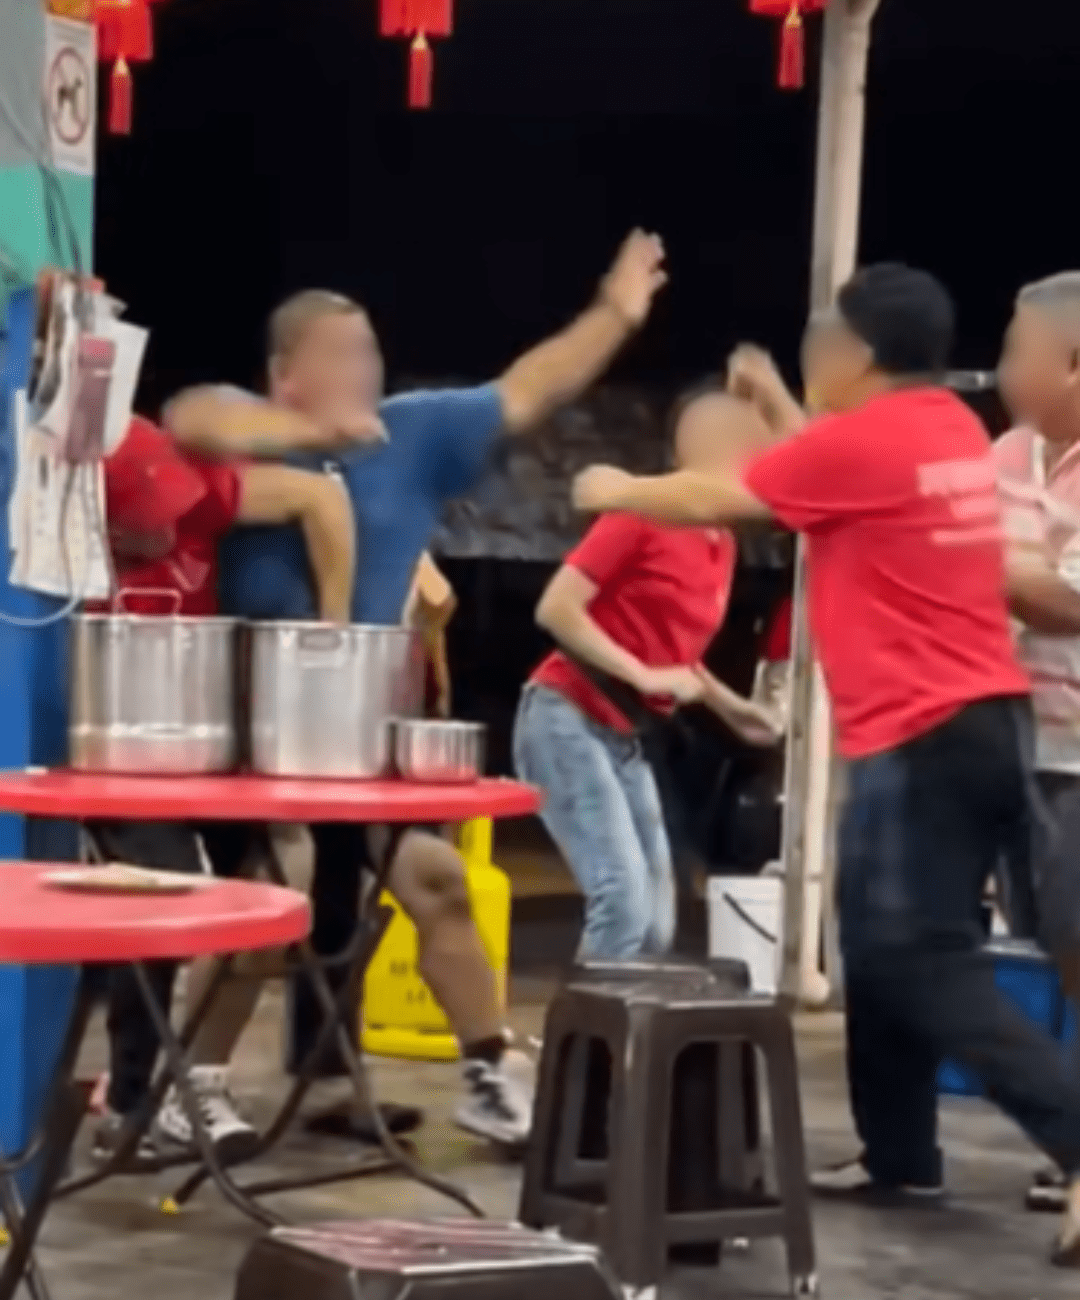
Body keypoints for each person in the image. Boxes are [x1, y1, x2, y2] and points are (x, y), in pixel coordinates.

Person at [570, 262, 1080, 1267]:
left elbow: (730, 493)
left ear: (856, 353)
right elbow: (830, 477)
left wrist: (614, 486)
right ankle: (905, 1154)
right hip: (985, 723)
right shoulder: (946, 429)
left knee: (920, 959)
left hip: (922, 737)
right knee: (890, 947)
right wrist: (775, 401)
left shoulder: (869, 440)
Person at [171, 229, 668, 1145]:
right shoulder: (248, 424)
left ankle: (488, 1073)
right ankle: (190, 1086)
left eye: (368, 352)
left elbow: (531, 386)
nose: (361, 370)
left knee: (438, 882)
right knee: (278, 889)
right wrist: (311, 436)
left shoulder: (415, 433)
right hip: (254, 727)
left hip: (362, 729)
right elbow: (192, 417)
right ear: (286, 372)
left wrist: (614, 313)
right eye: (338, 354)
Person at [93, 411, 357, 1160]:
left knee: (273, 881)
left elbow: (320, 497)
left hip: (204, 746)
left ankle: (196, 1081)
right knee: (159, 894)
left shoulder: (204, 496)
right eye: (145, 514)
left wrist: (334, 630)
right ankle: (129, 1101)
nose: (165, 526)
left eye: (170, 507)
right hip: (110, 756)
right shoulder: (60, 568)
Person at [513, 389, 781, 960]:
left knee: (657, 923)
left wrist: (732, 707)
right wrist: (641, 674)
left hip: (624, 733)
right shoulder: (642, 514)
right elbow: (556, 608)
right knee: (624, 903)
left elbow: (673, 650)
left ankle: (617, 1014)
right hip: (567, 716)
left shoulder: (722, 542)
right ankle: (585, 1022)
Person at [995, 271, 1080, 1214]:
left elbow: (1066, 601)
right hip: (1012, 743)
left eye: (1020, 350)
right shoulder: (1007, 454)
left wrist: (987, 560)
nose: (1003, 367)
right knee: (1051, 941)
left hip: (1077, 753)